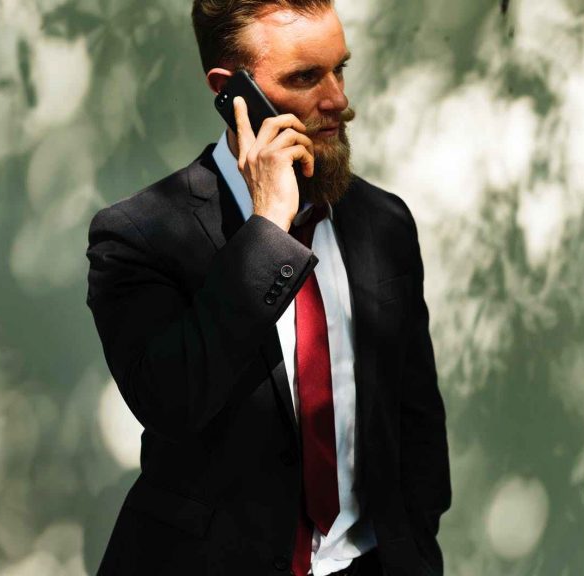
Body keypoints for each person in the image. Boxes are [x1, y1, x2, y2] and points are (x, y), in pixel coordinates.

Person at [85, 1, 450, 574]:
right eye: (306, 77)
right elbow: (174, 402)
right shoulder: (137, 236)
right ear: (232, 92)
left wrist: (416, 546)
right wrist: (267, 230)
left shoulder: (385, 223)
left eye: (340, 70)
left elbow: (416, 415)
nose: (337, 101)